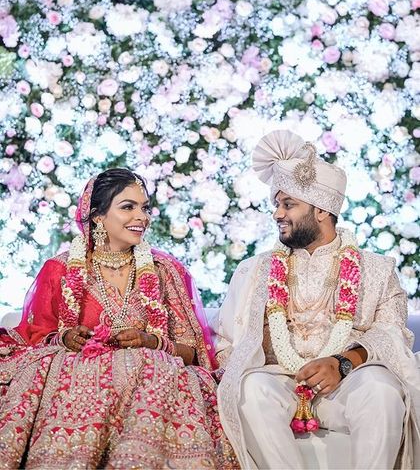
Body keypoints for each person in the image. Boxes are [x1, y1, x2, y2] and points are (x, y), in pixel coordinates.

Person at [0, 168, 238, 469]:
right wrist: (66, 337)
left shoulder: (165, 271)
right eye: (128, 207)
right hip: (80, 377)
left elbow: (193, 353)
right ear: (97, 216)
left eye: (145, 208)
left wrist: (153, 342)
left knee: (153, 366)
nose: (142, 217)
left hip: (154, 377)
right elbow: (35, 337)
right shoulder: (59, 269)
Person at [213, 130, 420, 469]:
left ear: (322, 210)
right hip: (280, 382)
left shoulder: (378, 269)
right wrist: (247, 349)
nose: (278, 214)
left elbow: (394, 334)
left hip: (348, 383)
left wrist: (343, 362)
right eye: (276, 205)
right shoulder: (254, 270)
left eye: (288, 204)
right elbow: (227, 344)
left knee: (381, 390)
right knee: (249, 390)